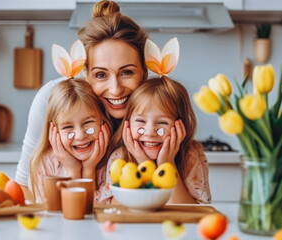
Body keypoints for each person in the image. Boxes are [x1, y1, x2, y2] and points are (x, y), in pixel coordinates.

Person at [15, 0, 148, 198]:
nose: (115, 89)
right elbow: (23, 186)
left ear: (145, 72)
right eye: (101, 75)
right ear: (86, 74)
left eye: (126, 72)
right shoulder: (51, 98)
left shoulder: (152, 105)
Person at [106, 38, 211, 204]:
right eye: (140, 121)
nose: (149, 132)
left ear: (180, 125)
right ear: (127, 123)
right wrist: (145, 165)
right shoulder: (120, 158)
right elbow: (117, 211)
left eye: (162, 123)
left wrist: (166, 165)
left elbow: (190, 213)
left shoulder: (191, 157)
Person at [29, 77, 112, 203]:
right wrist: (73, 170)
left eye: (88, 122)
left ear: (103, 121)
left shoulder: (114, 161)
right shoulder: (45, 164)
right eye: (68, 127)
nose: (80, 135)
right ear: (54, 131)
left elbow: (98, 213)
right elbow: (54, 215)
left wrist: (89, 169)